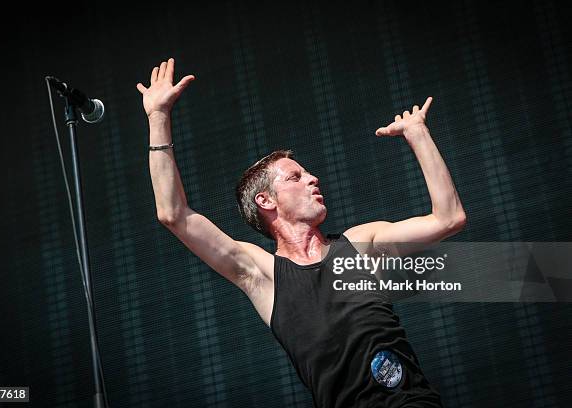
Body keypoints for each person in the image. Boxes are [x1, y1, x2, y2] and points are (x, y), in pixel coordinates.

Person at [137, 58, 466, 407]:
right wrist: (158, 117)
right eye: (295, 177)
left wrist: (418, 134)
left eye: (308, 173)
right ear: (265, 200)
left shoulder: (360, 244)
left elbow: (449, 218)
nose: (313, 179)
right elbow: (174, 214)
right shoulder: (261, 274)